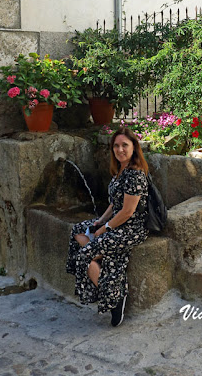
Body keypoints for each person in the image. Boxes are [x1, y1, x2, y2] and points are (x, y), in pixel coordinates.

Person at [66, 126, 149, 326]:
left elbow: (128, 212)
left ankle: (115, 298)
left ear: (134, 148)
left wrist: (106, 229)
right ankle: (108, 270)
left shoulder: (135, 174)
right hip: (115, 223)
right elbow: (115, 203)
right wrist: (100, 220)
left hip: (131, 228)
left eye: (125, 146)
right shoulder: (120, 171)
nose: (120, 150)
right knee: (77, 230)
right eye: (116, 146)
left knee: (84, 256)